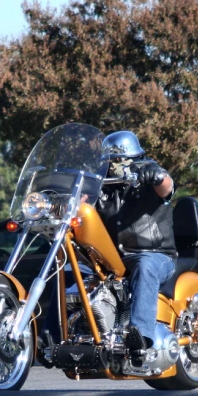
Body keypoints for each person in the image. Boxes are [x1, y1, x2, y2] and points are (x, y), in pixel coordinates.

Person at [40, 130, 175, 367]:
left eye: (121, 160)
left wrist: (158, 175)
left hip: (153, 254)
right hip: (110, 259)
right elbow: (78, 206)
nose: (116, 166)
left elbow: (167, 189)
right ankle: (49, 339)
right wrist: (59, 199)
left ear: (136, 158)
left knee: (144, 267)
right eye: (110, 161)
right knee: (67, 269)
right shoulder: (100, 188)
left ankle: (141, 338)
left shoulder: (147, 182)